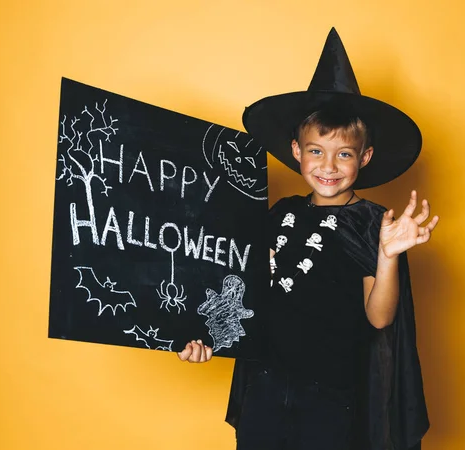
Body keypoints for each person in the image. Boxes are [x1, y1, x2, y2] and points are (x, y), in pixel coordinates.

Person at [178, 28, 438, 450]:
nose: (329, 165)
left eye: (344, 154)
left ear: (365, 158)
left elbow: (379, 319)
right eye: (316, 151)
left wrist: (387, 255)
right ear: (296, 150)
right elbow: (244, 290)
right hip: (264, 386)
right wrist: (203, 334)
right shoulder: (279, 212)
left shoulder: (372, 225)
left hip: (332, 399)